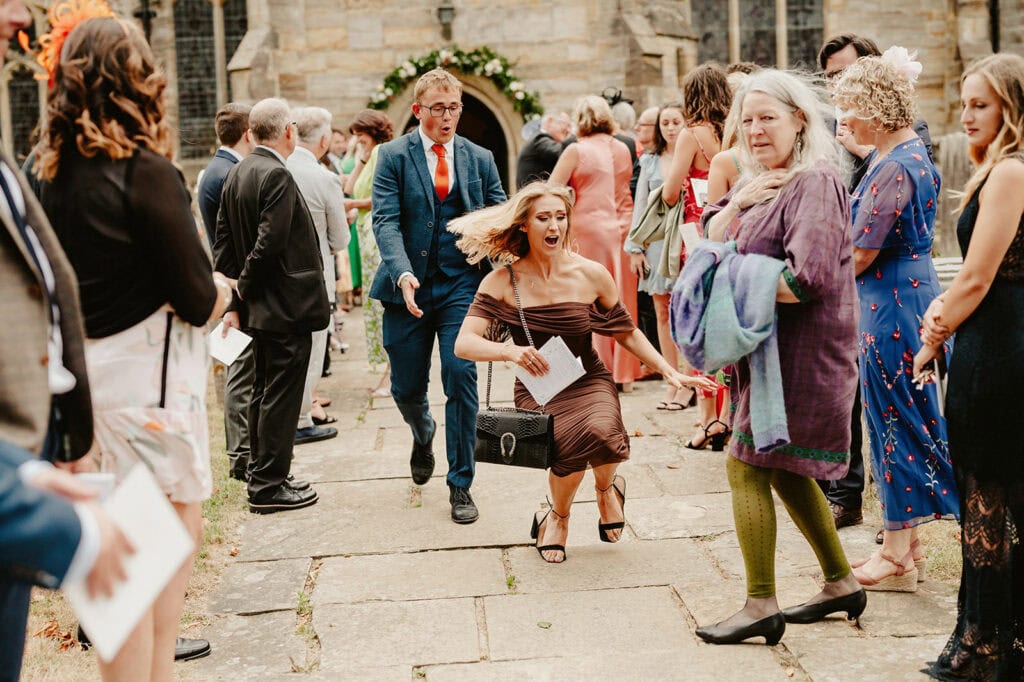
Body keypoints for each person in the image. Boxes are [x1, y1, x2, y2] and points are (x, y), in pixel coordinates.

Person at [34, 14, 232, 679]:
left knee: (118, 598)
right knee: (160, 599)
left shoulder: (47, 174)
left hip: (83, 399)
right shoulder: (145, 171)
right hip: (151, 395)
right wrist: (226, 289)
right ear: (136, 79)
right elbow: (198, 301)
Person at [450, 183, 717, 563]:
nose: (554, 225)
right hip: (538, 385)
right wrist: (509, 350)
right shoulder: (501, 281)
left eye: (560, 216)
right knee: (570, 445)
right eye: (543, 217)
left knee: (603, 430)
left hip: (587, 376)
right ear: (524, 224)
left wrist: (668, 371)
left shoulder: (590, 274)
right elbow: (464, 343)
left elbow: (626, 330)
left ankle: (607, 490)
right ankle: (557, 518)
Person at [693, 69, 864, 645]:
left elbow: (806, 278)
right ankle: (841, 583)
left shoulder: (815, 182)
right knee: (784, 468)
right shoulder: (768, 180)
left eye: (768, 117)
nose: (756, 129)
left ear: (799, 120)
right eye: (746, 119)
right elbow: (711, 236)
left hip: (801, 356)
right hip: (769, 355)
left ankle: (761, 603)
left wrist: (730, 274)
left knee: (745, 463)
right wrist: (736, 202)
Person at [914, 52, 1024, 680]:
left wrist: (934, 336)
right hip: (996, 337)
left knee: (987, 490)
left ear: (1011, 106)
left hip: (1000, 349)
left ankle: (984, 646)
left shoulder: (1009, 172)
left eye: (981, 103)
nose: (968, 115)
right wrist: (942, 312)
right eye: (963, 103)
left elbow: (979, 275)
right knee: (1001, 491)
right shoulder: (998, 171)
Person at [832, 54, 959, 592]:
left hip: (891, 306)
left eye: (850, 108)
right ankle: (901, 545)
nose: (845, 120)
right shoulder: (905, 154)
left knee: (897, 424)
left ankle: (897, 550)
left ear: (877, 110)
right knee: (898, 421)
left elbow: (859, 252)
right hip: (903, 296)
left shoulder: (895, 167)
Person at [371, 68, 505, 524]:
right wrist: (403, 272)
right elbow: (385, 221)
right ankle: (421, 429)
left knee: (460, 375)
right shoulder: (392, 156)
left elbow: (498, 213)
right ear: (418, 111)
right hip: (406, 286)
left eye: (454, 108)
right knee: (406, 387)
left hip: (460, 284)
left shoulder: (479, 157)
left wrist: (504, 256)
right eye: (438, 109)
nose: (447, 117)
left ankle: (461, 483)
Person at [214, 97, 329, 515]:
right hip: (284, 306)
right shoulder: (275, 173)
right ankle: (268, 486)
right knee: (278, 398)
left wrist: (233, 297)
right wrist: (241, 290)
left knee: (264, 393)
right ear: (288, 132)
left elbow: (223, 242)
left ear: (250, 132)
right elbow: (270, 241)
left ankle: (265, 473)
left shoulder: (239, 170)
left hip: (262, 307)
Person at [660, 63, 732, 448]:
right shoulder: (734, 130)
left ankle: (705, 419)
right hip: (732, 235)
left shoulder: (692, 135)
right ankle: (727, 413)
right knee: (725, 325)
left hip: (698, 236)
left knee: (696, 326)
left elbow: (671, 192)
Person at [550, 95, 640, 390]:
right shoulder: (624, 147)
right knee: (622, 298)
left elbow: (552, 189)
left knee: (590, 296)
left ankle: (598, 369)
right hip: (624, 227)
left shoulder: (576, 150)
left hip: (589, 227)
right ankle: (624, 374)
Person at [196, 103, 255, 482]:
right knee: (241, 372)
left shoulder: (217, 169)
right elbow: (226, 247)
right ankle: (240, 455)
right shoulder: (227, 174)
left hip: (233, 285)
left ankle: (244, 450)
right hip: (234, 288)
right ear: (248, 132)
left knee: (242, 369)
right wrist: (235, 299)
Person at [625, 102, 692, 410]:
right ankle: (673, 381)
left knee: (686, 314)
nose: (669, 127)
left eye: (675, 121)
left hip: (684, 241)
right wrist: (635, 247)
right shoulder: (650, 160)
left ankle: (691, 382)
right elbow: (640, 204)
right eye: (664, 122)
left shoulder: (692, 155)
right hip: (655, 242)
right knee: (662, 314)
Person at [287, 106, 349, 441]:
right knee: (312, 351)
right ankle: (300, 421)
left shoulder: (277, 167)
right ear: (325, 140)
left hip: (279, 280)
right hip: (314, 277)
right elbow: (340, 240)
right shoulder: (324, 178)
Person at [343, 109, 394, 398]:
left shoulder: (384, 154)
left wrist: (351, 205)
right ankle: (387, 370)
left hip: (377, 237)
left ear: (371, 131)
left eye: (360, 136)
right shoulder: (370, 155)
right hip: (365, 236)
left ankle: (391, 373)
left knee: (382, 306)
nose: (356, 140)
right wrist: (362, 155)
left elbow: (379, 198)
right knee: (372, 306)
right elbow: (350, 188)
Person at [515, 112, 571, 188]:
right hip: (534, 197)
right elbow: (563, 152)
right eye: (564, 124)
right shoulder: (539, 139)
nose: (568, 130)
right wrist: (576, 135)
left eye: (569, 126)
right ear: (550, 121)